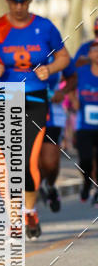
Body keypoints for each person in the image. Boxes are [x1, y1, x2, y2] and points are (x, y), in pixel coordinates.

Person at [0, 0, 70, 239]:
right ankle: (15, 219)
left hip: (35, 100)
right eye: (15, 0)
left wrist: (50, 68)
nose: (19, 6)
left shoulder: (45, 27)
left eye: (24, 0)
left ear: (30, 0)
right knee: (6, 162)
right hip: (4, 98)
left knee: (28, 161)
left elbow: (64, 57)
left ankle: (29, 210)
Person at [38, 63, 76, 211]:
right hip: (23, 113)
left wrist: (63, 92)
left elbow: (73, 77)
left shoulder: (58, 53)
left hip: (52, 117)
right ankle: (27, 213)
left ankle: (50, 185)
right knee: (29, 161)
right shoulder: (17, 47)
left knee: (50, 162)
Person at [74, 40, 98, 203]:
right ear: (89, 54)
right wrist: (72, 99)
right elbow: (67, 85)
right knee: (85, 159)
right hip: (84, 125)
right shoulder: (81, 72)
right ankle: (86, 182)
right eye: (94, 50)